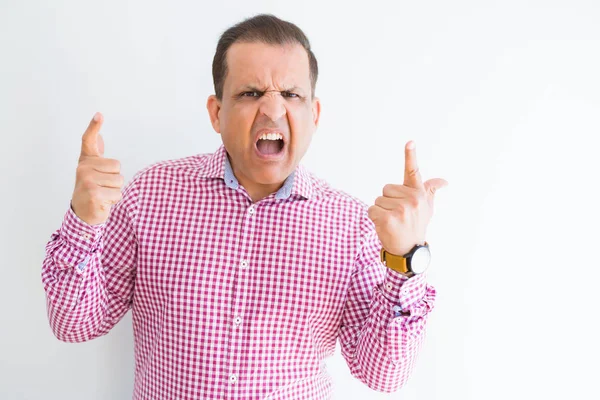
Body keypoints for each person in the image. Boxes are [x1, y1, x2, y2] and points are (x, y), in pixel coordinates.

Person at [41, 13, 448, 400]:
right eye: (251, 93)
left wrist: (405, 258)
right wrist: (84, 222)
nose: (272, 110)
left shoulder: (352, 224)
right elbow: (73, 324)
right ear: (217, 113)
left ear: (314, 113)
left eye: (291, 94)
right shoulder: (150, 194)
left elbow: (383, 374)